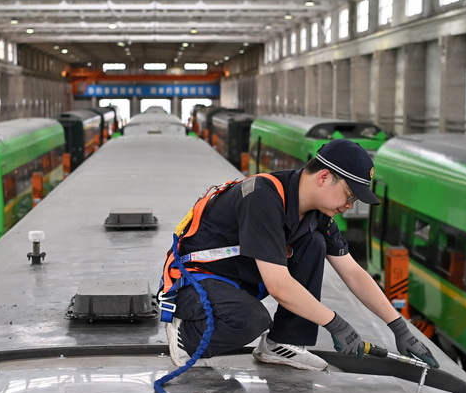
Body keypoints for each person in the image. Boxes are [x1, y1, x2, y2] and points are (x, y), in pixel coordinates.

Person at [159, 138, 439, 371]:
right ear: (324, 177)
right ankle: (185, 337)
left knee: (314, 243)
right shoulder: (262, 197)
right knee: (251, 320)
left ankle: (282, 342)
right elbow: (279, 286)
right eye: (350, 195)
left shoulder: (317, 215)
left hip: (236, 282)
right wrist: (336, 324)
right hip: (194, 282)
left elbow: (352, 272)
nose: (350, 206)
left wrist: (399, 327)